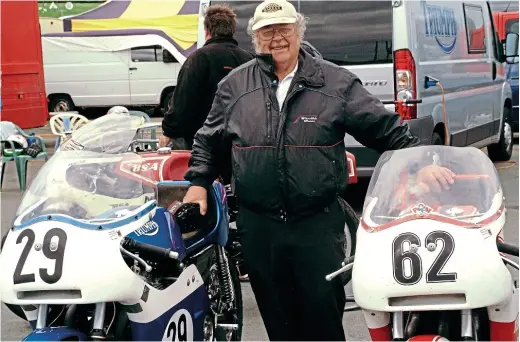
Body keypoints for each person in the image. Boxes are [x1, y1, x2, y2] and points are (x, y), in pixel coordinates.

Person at [182, 0, 455, 340]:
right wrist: (198, 182)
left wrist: (418, 163)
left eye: (284, 29)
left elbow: (384, 127)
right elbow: (208, 140)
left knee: (322, 317)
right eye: (267, 31)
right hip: (259, 227)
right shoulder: (235, 86)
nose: (276, 38)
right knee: (277, 320)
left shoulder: (335, 83)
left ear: (299, 31)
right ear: (255, 37)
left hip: (316, 224)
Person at [159, 4, 253, 150]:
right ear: (232, 30)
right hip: (240, 142)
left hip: (202, 144)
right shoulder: (248, 59)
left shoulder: (198, 58)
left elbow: (183, 101)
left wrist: (168, 131)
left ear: (207, 31)